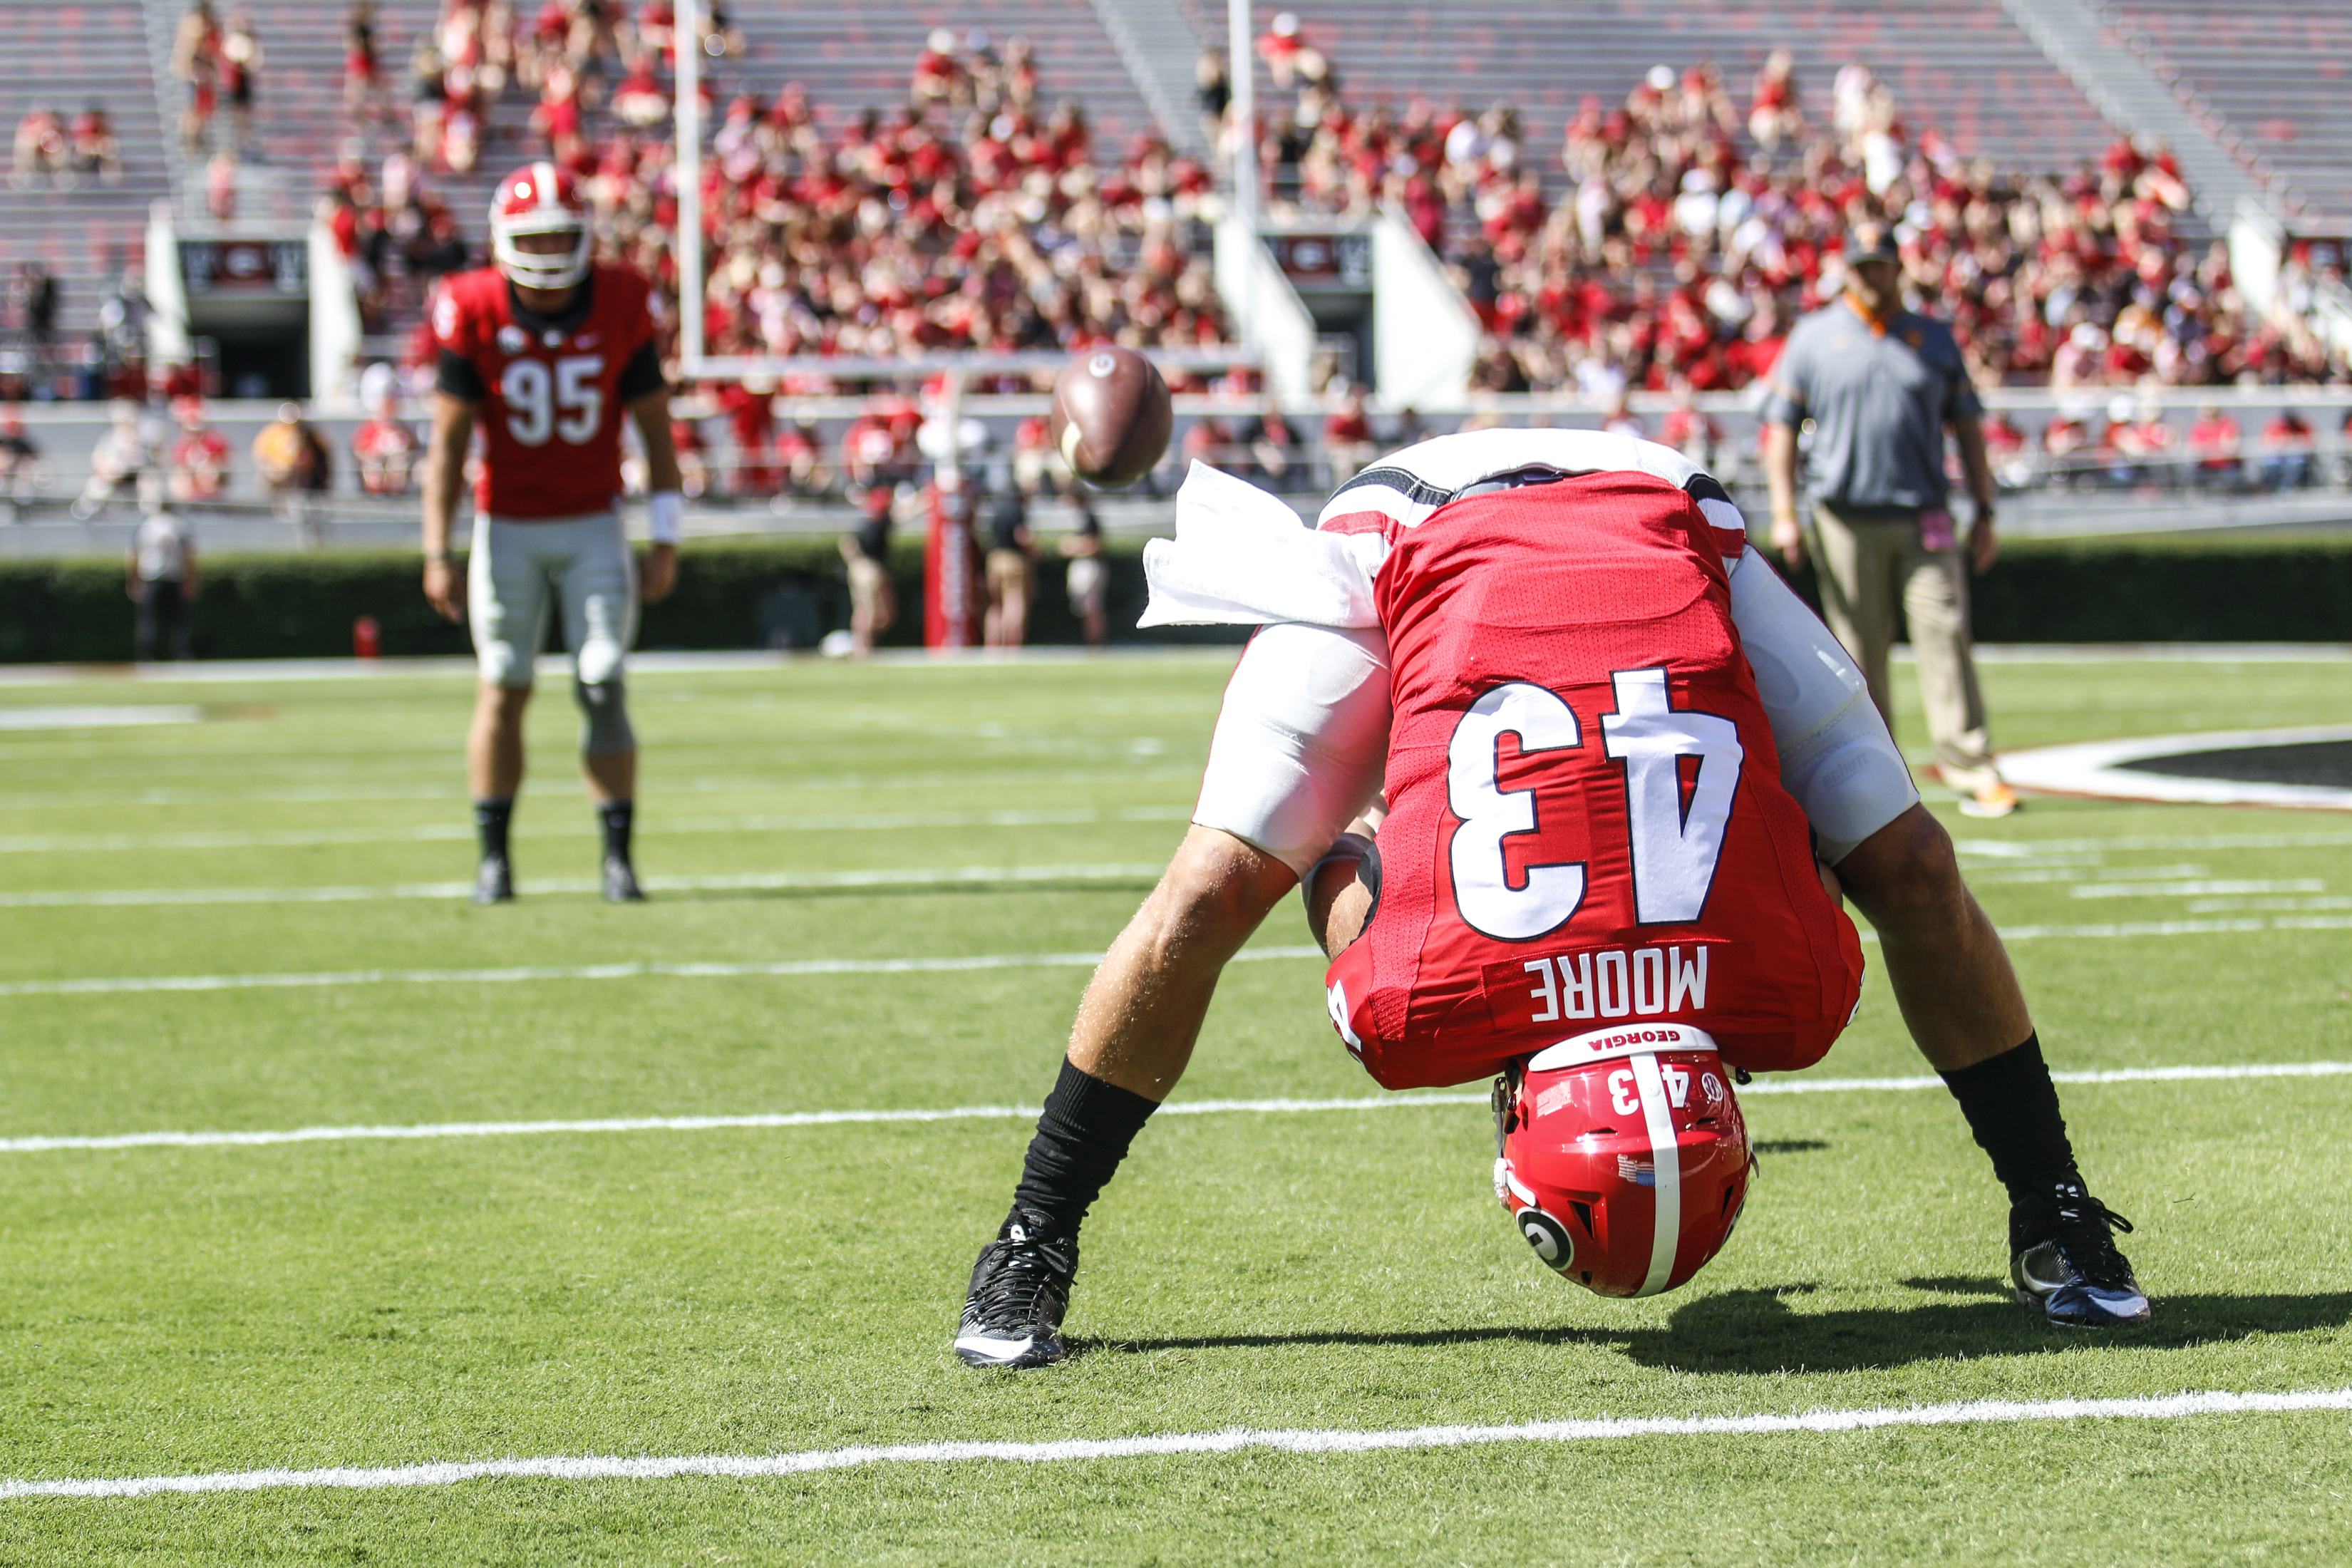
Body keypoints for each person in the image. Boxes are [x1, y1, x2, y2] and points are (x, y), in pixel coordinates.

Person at [952, 427, 2150, 1371]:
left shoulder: (1790, 1005)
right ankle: (1032, 1235)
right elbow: (1342, 882)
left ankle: (1035, 1239)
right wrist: (1368, 843)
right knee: (1217, 891)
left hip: (1524, 531)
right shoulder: (1423, 1024)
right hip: (1553, 514)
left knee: (1211, 892)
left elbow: (1818, 873)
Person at [422, 162, 683, 904]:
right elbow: (448, 445)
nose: (543, 255)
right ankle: (494, 859)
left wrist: (666, 538)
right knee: (503, 684)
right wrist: (436, 548)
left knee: (602, 680)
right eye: (531, 238)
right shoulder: (472, 305)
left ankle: (617, 859)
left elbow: (656, 434)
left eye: (557, 237)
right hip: (507, 523)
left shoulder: (622, 297)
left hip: (594, 520)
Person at [1763, 222, 2018, 819]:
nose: (1871, 276)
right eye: (1861, 266)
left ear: (1898, 269)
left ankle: (1971, 762)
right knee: (1858, 653)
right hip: (1843, 517)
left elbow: (1970, 429)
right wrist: (1783, 511)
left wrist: (1984, 510)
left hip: (1925, 513)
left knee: (1946, 633)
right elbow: (1780, 430)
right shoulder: (1813, 337)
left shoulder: (1932, 337)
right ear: (1846, 270)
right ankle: (1879, 776)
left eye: (1880, 265)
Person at [127, 475, 197, 661]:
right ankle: (182, 655)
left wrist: (133, 580)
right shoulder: (180, 526)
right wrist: (191, 580)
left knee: (149, 621)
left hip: (151, 579)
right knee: (178, 622)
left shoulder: (145, 527)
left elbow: (133, 556)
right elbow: (189, 557)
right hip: (174, 578)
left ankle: (147, 657)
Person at [252, 403, 329, 545]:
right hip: (278, 478)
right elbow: (260, 454)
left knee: (300, 504)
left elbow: (316, 459)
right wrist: (274, 468)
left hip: (302, 480)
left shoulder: (308, 434)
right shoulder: (272, 432)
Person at [837, 489, 894, 656]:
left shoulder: (867, 523)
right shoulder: (879, 522)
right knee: (872, 610)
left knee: (864, 609)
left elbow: (847, 543)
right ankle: (864, 646)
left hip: (861, 569)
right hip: (870, 570)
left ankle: (861, 645)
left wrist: (854, 563)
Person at [72, 401, 150, 520]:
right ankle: (88, 508)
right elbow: (97, 458)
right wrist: (106, 470)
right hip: (108, 476)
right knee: (96, 484)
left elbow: (136, 464)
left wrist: (116, 471)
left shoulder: (139, 440)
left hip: (128, 481)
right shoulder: (110, 437)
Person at [351, 362, 420, 495]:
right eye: (387, 396)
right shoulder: (367, 429)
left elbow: (412, 451)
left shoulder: (403, 429)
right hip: (376, 492)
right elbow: (362, 453)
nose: (392, 400)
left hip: (401, 493)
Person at [982, 487, 1033, 649]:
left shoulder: (997, 513)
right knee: (1014, 601)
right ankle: (1012, 643)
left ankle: (993, 643)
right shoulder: (1017, 512)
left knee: (996, 604)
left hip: (995, 559)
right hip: (1013, 559)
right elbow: (1022, 536)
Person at [1059, 498, 1106, 649]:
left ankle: (1095, 644)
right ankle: (1091, 642)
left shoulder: (1088, 518)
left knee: (1091, 608)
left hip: (1088, 566)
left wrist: (1073, 547)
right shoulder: (1078, 519)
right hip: (1082, 565)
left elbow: (1095, 545)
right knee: (1085, 608)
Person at [167, 396, 231, 502]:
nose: (193, 433)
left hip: (212, 488)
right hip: (190, 487)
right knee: (178, 477)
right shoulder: (182, 445)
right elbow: (179, 467)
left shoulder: (214, 441)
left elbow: (225, 464)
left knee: (209, 470)